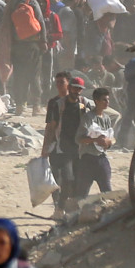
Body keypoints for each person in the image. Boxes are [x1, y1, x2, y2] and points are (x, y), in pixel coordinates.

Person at [43, 73, 86, 212]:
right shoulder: (55, 103)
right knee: (58, 178)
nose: (59, 85)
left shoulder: (83, 104)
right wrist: (46, 146)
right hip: (58, 146)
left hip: (77, 148)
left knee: (73, 179)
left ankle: (69, 207)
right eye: (57, 83)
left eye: (62, 82)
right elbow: (50, 126)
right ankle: (58, 206)